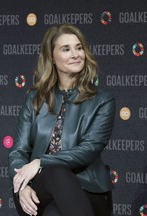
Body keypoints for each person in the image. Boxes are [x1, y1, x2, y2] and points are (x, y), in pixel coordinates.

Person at [9, 24, 115, 216]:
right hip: (36, 190)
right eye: (66, 49)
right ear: (51, 57)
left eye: (79, 47)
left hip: (87, 189)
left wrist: (41, 161)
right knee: (55, 173)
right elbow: (19, 150)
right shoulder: (35, 98)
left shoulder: (102, 100)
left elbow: (88, 150)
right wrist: (22, 186)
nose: (76, 54)